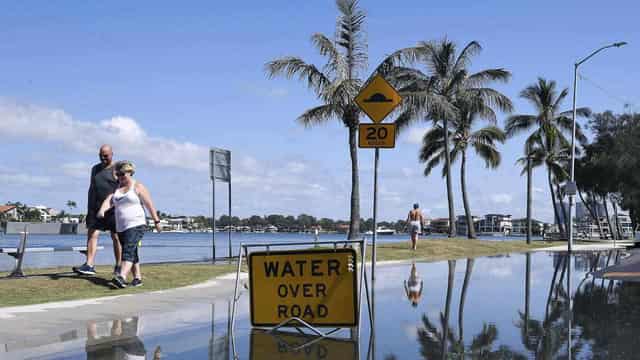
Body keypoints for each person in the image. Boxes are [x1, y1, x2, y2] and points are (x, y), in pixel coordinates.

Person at [98, 161, 161, 288]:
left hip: (136, 224)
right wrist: (102, 210)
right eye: (118, 174)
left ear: (130, 173)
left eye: (123, 174)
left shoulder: (137, 186)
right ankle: (137, 278)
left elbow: (150, 205)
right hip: (121, 227)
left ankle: (121, 277)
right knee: (132, 251)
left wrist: (156, 221)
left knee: (127, 251)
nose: (120, 176)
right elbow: (109, 201)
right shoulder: (117, 191)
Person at [73, 144, 122, 276]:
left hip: (113, 209)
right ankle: (89, 264)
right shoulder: (95, 169)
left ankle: (119, 266)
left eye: (105, 155)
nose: (103, 158)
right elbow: (92, 188)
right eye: (100, 155)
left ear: (112, 154)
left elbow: (123, 189)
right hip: (96, 208)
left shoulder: (117, 169)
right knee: (92, 235)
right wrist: (90, 210)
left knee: (116, 237)